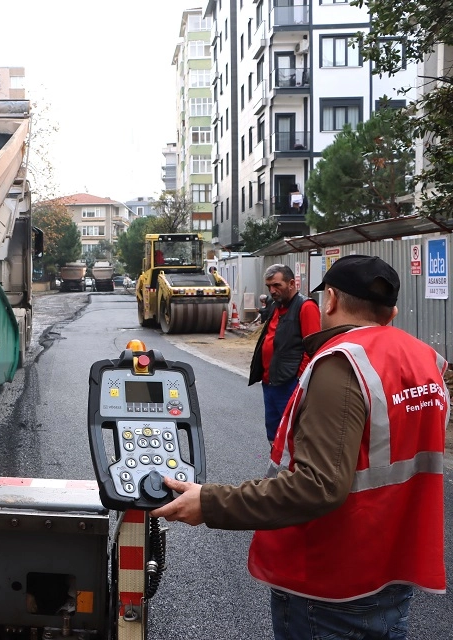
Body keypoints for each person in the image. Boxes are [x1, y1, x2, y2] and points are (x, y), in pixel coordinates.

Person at [153, 255, 448, 640]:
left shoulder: (343, 363)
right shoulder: (425, 358)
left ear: (329, 301)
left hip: (331, 582)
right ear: (391, 311)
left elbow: (318, 485)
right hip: (393, 569)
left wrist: (209, 502)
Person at [249, 264, 320, 442]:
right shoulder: (275, 306)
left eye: (277, 285)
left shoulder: (306, 307)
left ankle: (293, 470)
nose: (272, 291)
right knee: (274, 434)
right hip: (270, 382)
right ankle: (277, 469)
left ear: (291, 283)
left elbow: (314, 348)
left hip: (289, 383)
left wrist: (298, 379)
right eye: (269, 287)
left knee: (292, 435)